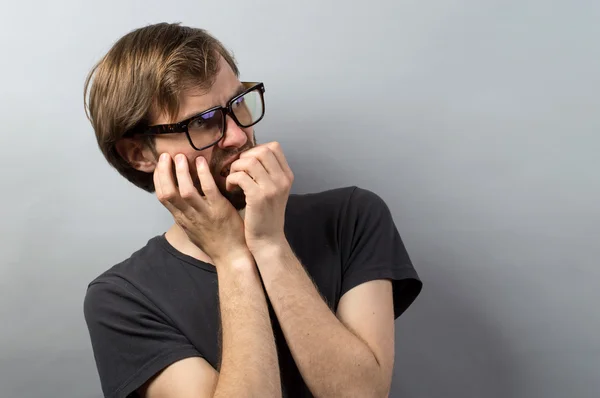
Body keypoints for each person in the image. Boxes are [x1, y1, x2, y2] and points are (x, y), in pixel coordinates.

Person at [83, 22, 422, 398]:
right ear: (139, 154)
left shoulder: (351, 217)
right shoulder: (122, 299)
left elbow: (362, 394)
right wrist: (232, 258)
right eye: (203, 122)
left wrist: (270, 245)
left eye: (238, 103)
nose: (239, 135)